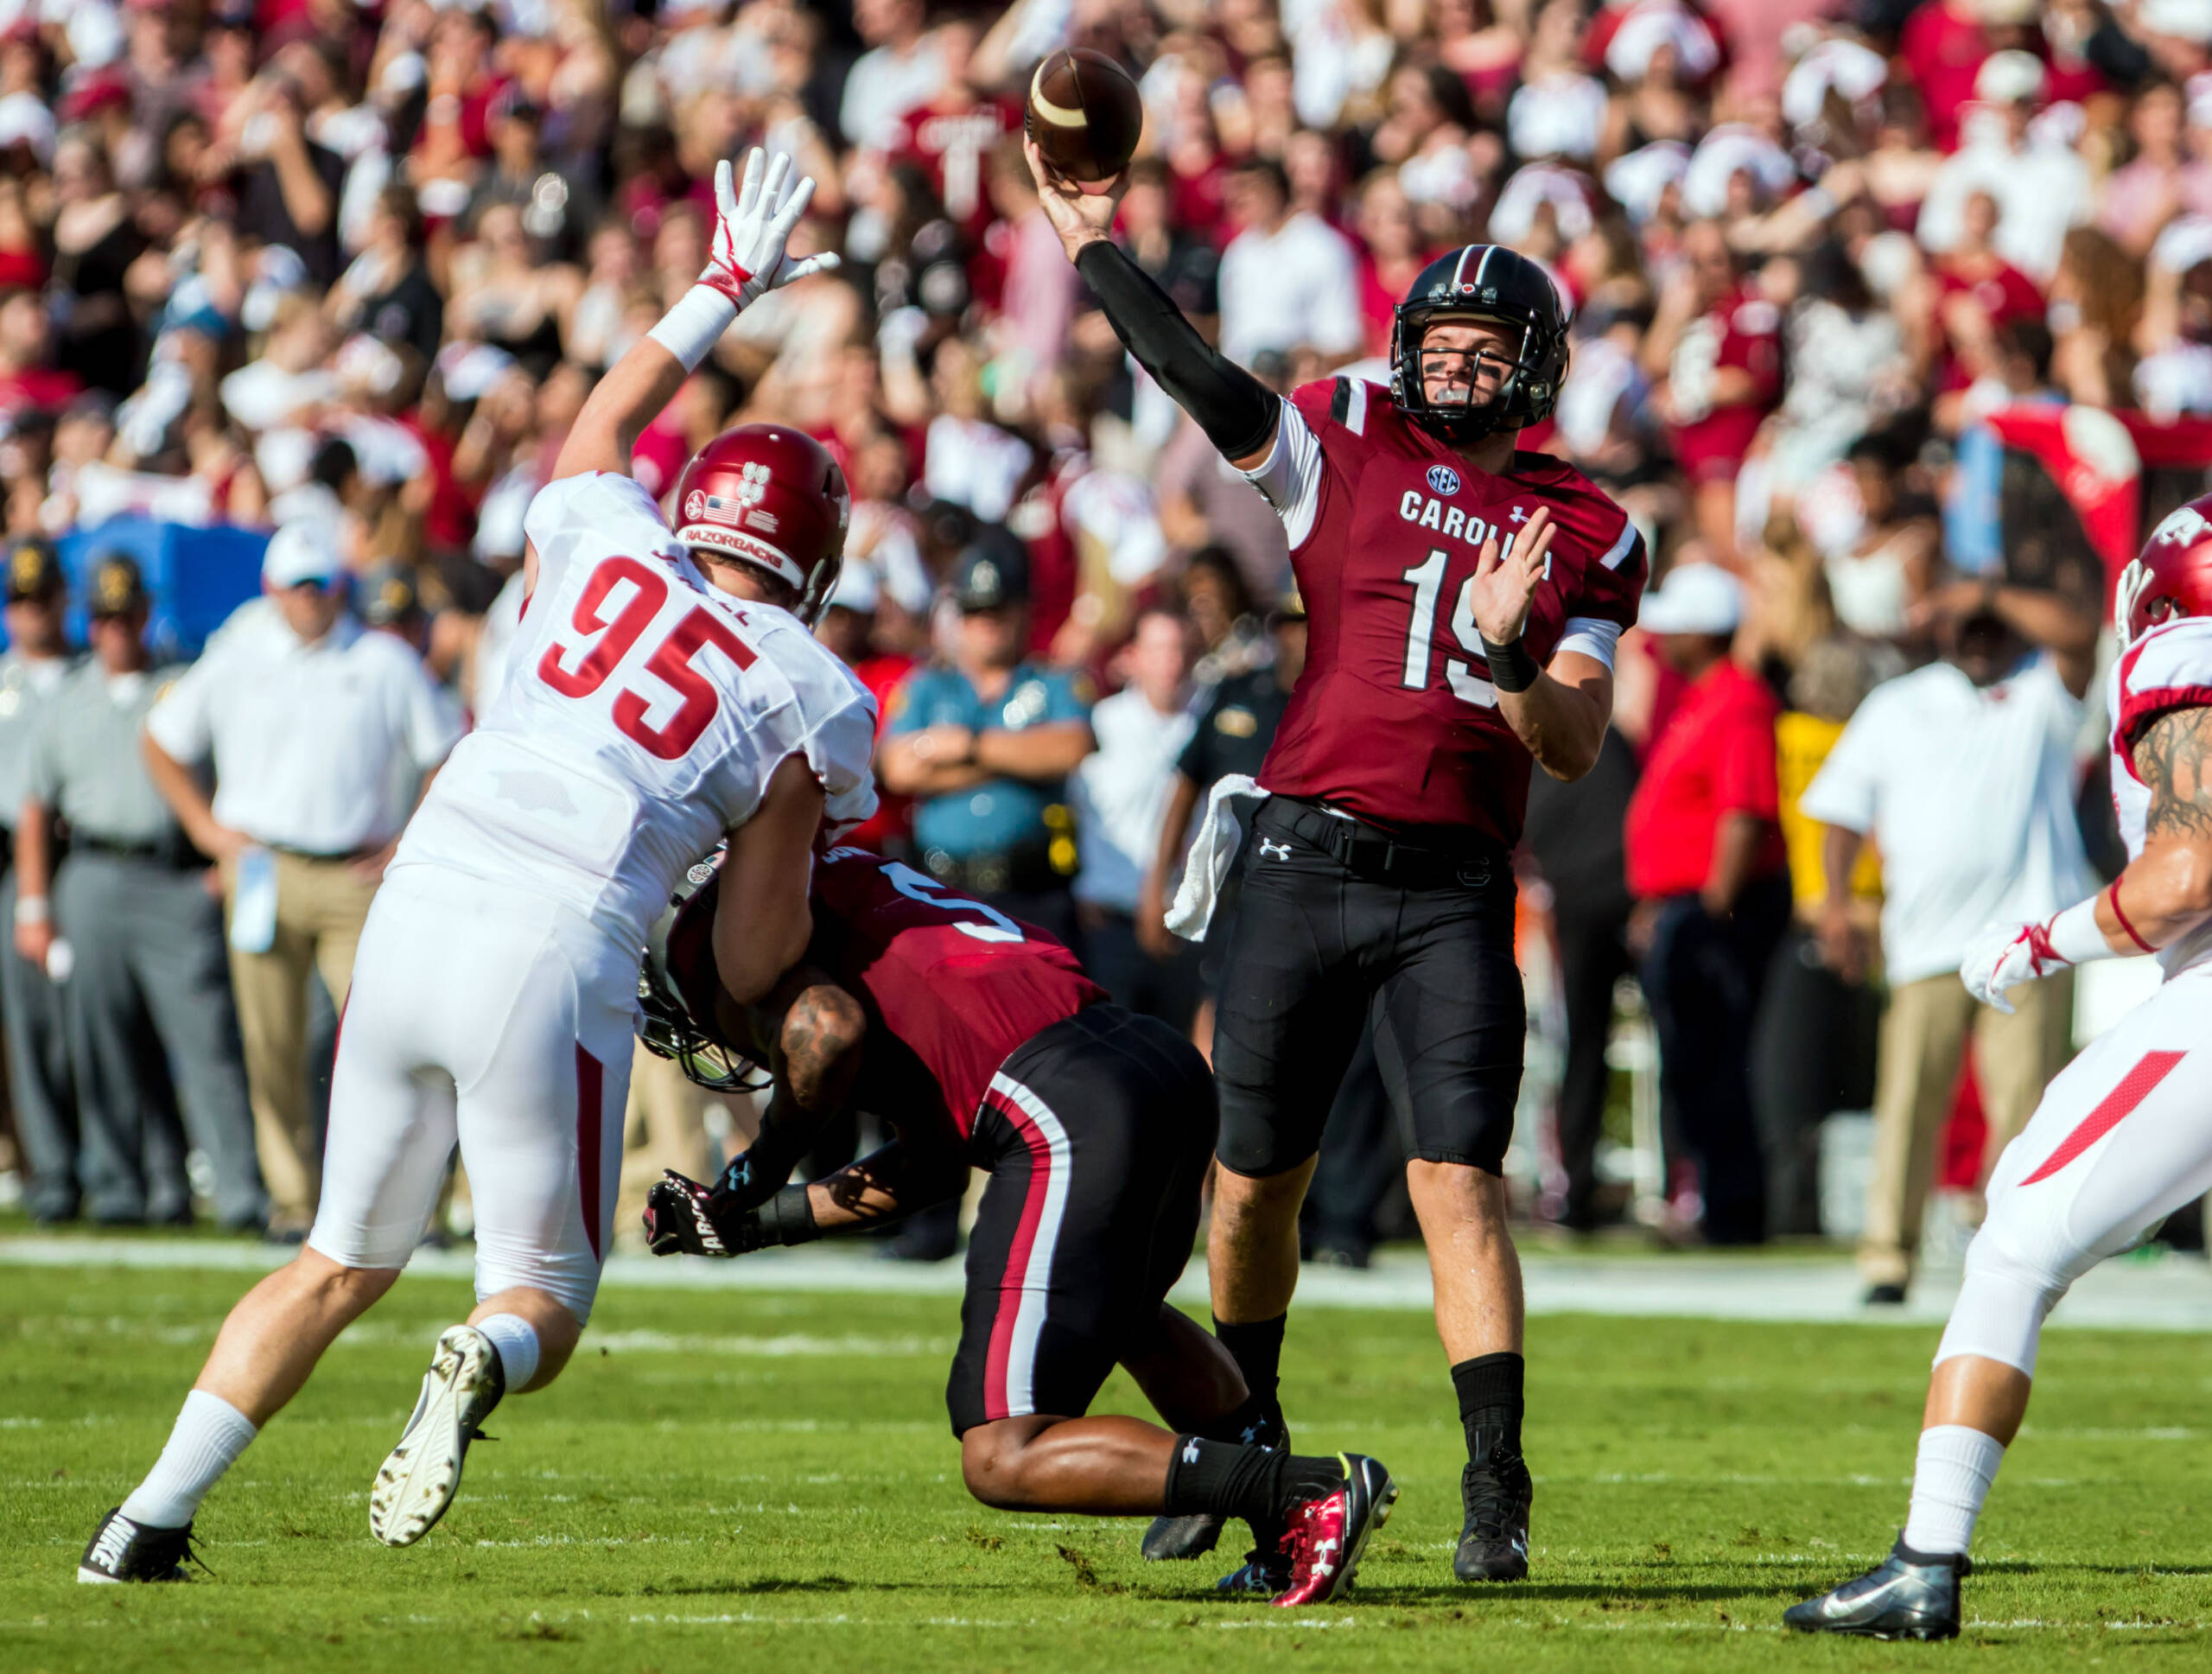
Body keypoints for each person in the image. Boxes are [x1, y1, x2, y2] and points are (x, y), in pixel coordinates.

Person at [81, 149, 876, 1585]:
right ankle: (474, 1358)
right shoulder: (807, 683)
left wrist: (719, 286)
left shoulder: (598, 534)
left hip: (417, 900)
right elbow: (759, 948)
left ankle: (143, 1520)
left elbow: (602, 416)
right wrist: (735, 1006)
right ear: (817, 555)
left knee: (336, 1255)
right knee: (547, 1298)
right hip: (552, 938)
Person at [1029, 141, 1647, 1588]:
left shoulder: (1589, 527)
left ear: (1534, 365)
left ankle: (1495, 1482)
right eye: (1432, 343)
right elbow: (1201, 377)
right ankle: (1255, 1451)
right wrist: (1097, 251)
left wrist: (1506, 655)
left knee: (1459, 1182)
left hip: (1452, 885)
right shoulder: (1347, 432)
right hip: (1305, 860)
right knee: (1250, 1187)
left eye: (1479, 350)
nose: (1446, 370)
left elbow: (1568, 743)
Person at [639, 844, 1398, 1609]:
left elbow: (824, 1031)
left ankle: (1307, 1491)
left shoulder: (710, 931)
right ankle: (1285, 1537)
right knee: (1123, 1315)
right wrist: (753, 1223)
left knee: (1003, 1453)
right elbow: (932, 1166)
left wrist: (755, 1170)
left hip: (1064, 1104)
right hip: (1151, 1065)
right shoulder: (840, 870)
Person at [1785, 499, 2212, 1639]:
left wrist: (2042, 938)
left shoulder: (2185, 650)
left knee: (2015, 1236)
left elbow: (2184, 875)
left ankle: (1927, 1558)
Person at [141, 519, 463, 1241]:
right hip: (263, 868)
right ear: (273, 589)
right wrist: (205, 830)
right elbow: (162, 740)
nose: (312, 599)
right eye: (299, 586)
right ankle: (294, 1200)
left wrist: (408, 840)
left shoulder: (381, 659)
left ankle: (410, 1201)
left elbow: (446, 749)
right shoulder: (238, 652)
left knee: (391, 1040)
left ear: (340, 587)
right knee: (272, 1044)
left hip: (355, 873)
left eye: (322, 585)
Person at [1801, 581, 2099, 1302]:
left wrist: (1991, 592)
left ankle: (2010, 1256)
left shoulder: (2040, 694)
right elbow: (1840, 812)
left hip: (2029, 936)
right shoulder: (1899, 702)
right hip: (1924, 939)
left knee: (2024, 1110)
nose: (1978, 635)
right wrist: (1838, 904)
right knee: (1908, 1103)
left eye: (1990, 624)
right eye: (1966, 624)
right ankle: (1887, 1258)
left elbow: (2078, 634)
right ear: (1941, 629)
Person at [15, 554, 264, 1232]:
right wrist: (33, 902)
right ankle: (121, 1182)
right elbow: (35, 807)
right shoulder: (65, 698)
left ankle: (240, 1185)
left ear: (146, 616)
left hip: (174, 874)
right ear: (89, 622)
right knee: (101, 1042)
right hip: (92, 871)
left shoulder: (181, 686)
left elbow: (235, 770)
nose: (116, 630)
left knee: (206, 1037)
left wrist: (216, 858)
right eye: (104, 617)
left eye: (127, 616)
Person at [1624, 563, 1789, 1245]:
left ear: (1703, 631)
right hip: (1687, 905)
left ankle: (1730, 1209)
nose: (1662, 638)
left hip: (1720, 907)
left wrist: (1710, 911)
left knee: (1717, 1059)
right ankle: (1709, 1200)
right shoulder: (1705, 695)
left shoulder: (1739, 699)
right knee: (1693, 1058)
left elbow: (1742, 810)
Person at [0, 538, 79, 1223]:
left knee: (80, 1024)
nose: (30, 614)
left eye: (41, 598)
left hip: (80, 858)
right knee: (23, 1028)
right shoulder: (5, 680)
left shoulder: (89, 676)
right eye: (18, 601)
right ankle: (43, 1167)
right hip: (11, 862)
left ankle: (94, 1163)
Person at [1071, 606, 1200, 1028]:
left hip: (1185, 928)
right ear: (1134, 656)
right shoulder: (1100, 725)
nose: (1172, 662)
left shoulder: (1210, 726)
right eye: (1160, 649)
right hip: (1109, 924)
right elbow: (1070, 812)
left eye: (1181, 649)